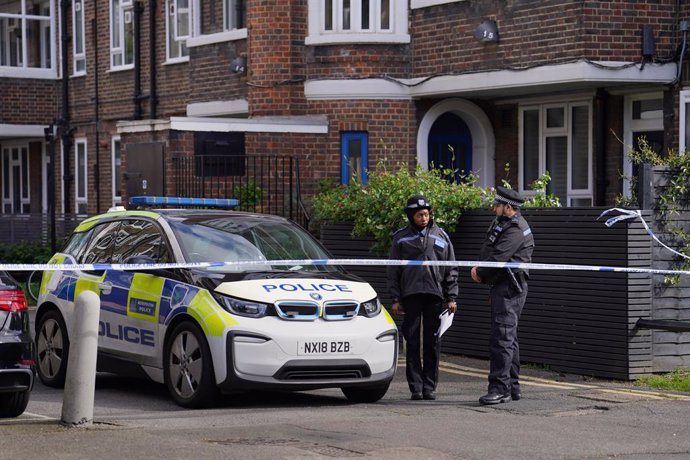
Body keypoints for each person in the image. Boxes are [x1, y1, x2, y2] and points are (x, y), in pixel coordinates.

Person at [388, 195, 458, 401]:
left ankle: (429, 387)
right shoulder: (400, 238)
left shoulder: (442, 236)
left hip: (434, 296)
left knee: (432, 342)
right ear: (411, 216)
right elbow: (393, 271)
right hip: (410, 296)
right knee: (412, 342)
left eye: (426, 214)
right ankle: (415, 387)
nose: (424, 218)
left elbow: (451, 268)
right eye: (419, 215)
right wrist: (395, 298)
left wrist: (451, 296)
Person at [471, 186, 534, 405]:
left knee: (502, 338)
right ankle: (513, 387)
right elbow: (489, 249)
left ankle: (500, 388)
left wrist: (479, 271)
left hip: (510, 287)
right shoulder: (504, 224)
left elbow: (498, 257)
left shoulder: (515, 229)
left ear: (508, 207)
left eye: (497, 205)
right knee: (509, 338)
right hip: (503, 286)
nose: (493, 209)